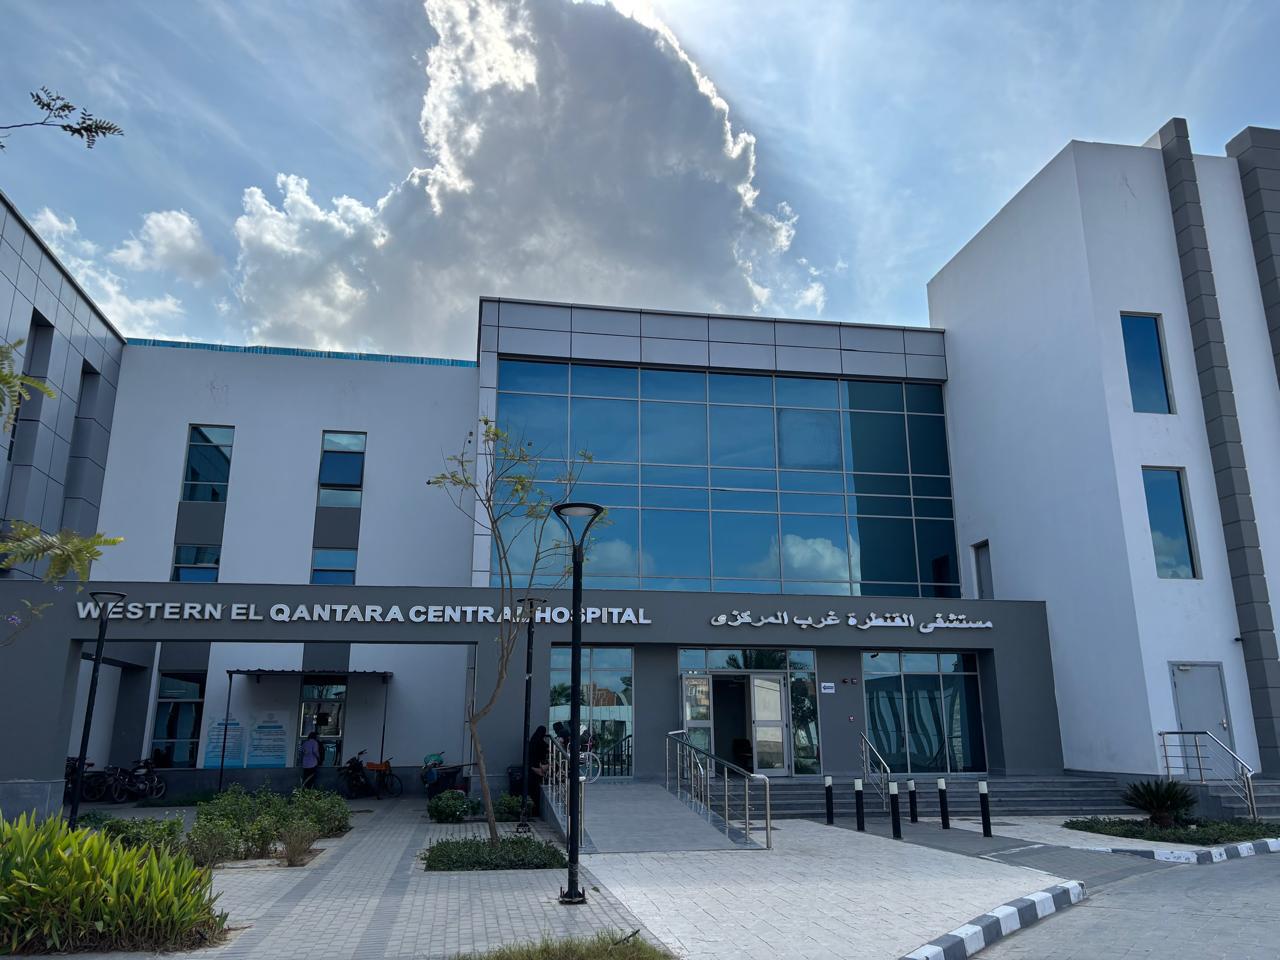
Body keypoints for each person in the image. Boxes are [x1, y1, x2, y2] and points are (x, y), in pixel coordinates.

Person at [527, 725, 549, 814]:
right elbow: (545, 750)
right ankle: (536, 811)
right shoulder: (541, 743)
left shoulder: (532, 741)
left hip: (532, 767)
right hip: (538, 767)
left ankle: (533, 811)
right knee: (537, 791)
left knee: (533, 791)